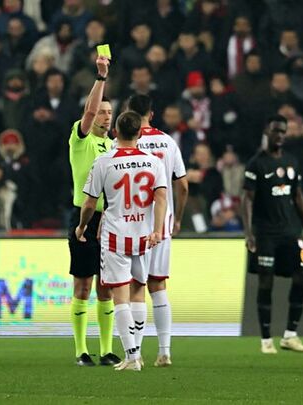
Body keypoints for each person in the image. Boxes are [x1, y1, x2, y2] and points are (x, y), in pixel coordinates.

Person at [75, 110, 167, 371]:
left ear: (116, 132)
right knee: (138, 291)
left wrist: (82, 226)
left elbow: (90, 203)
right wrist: (157, 231)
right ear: (140, 133)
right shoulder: (153, 162)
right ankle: (137, 352)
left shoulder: (104, 161)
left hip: (116, 236)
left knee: (119, 295)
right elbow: (161, 198)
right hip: (144, 235)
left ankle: (132, 356)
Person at [242, 114, 303, 355]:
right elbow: (247, 199)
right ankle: (266, 340)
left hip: (291, 232)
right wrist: (249, 232)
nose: (280, 135)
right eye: (276, 131)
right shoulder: (256, 164)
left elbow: (298, 196)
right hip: (266, 234)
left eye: (283, 131)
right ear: (267, 132)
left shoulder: (292, 161)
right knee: (266, 282)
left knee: (302, 277)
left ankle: (290, 336)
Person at [127, 94, 189, 367]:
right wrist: (177, 218)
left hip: (133, 224)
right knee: (158, 284)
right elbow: (183, 185)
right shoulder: (168, 142)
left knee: (135, 286)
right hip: (162, 224)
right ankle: (164, 351)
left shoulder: (127, 141)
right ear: (151, 114)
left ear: (128, 113)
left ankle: (135, 352)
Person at [68, 54, 119, 366]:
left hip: (110, 219)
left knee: (106, 286)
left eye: (110, 113)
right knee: (83, 284)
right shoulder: (81, 138)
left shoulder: (116, 147)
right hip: (84, 217)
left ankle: (106, 349)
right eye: (102, 111)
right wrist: (101, 77)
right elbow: (88, 112)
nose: (106, 117)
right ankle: (80, 350)